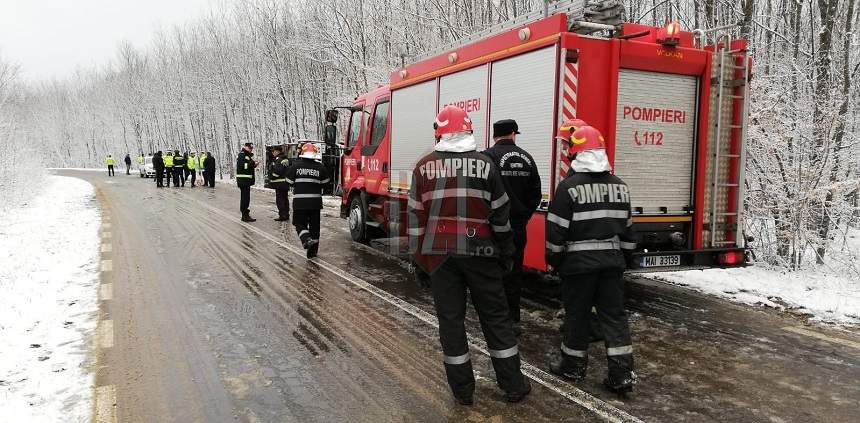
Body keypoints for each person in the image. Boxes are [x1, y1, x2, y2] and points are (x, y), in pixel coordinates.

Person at [407, 105, 530, 405]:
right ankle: (513, 384)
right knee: (495, 318)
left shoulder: (423, 167)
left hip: (440, 257)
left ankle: (463, 390)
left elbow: (414, 220)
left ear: (440, 131)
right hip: (482, 253)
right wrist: (506, 252)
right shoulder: (487, 166)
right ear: (469, 130)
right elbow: (501, 215)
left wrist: (420, 262)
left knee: (451, 322)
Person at [545, 119, 637, 395]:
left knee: (578, 315)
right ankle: (621, 374)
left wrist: (555, 261)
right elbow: (629, 232)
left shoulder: (568, 188)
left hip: (578, 267)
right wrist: (625, 261)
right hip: (611, 264)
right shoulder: (621, 187)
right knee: (614, 317)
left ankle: (572, 367)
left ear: (575, 153)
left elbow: (556, 233)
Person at [482, 119, 541, 335]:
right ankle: (512, 320)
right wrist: (523, 216)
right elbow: (536, 192)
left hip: (491, 227)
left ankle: (494, 320)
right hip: (517, 226)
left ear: (495, 136)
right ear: (513, 134)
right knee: (514, 273)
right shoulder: (527, 158)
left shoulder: (486, 158)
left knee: (491, 273)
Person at [285, 143, 329, 258]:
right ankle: (312, 253)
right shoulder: (321, 167)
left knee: (299, 223)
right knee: (315, 228)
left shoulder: (295, 166)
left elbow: (288, 181)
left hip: (300, 202)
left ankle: (306, 239)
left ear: (303, 153)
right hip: (315, 203)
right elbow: (326, 183)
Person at [268, 145, 291, 221]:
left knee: (280, 200)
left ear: (278, 151)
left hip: (279, 184)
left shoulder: (279, 159)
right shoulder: (284, 159)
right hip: (284, 183)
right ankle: (286, 214)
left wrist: (272, 176)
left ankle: (282, 215)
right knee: (285, 199)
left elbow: (278, 171)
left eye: (273, 151)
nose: (272, 153)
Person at [236, 143, 258, 221]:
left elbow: (247, 166)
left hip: (246, 180)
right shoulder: (242, 155)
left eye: (251, 148)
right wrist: (252, 163)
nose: (251, 149)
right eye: (249, 148)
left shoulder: (247, 155)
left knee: (246, 198)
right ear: (245, 147)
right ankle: (245, 215)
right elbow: (242, 166)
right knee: (245, 198)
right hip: (243, 180)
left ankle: (245, 215)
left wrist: (254, 165)